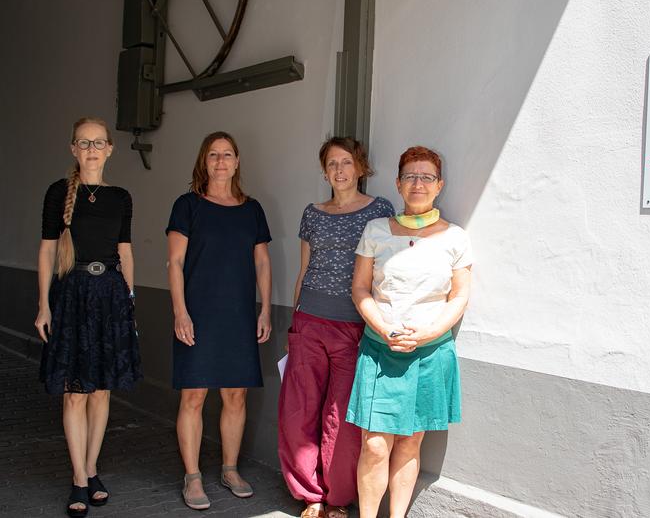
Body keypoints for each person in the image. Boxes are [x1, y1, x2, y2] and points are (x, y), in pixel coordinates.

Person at [347, 146, 473, 518]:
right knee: (373, 445)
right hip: (380, 350)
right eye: (410, 176)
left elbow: (460, 295)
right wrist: (384, 328)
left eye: (427, 177)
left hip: (429, 352)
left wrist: (427, 332)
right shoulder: (376, 230)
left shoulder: (455, 238)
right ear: (399, 184)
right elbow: (360, 289)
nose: (418, 183)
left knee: (409, 442)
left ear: (439, 185)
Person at [278, 137, 394, 518]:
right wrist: (294, 319)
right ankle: (310, 494)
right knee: (300, 409)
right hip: (309, 319)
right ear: (324, 170)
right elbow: (304, 269)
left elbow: (384, 272)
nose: (339, 170)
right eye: (332, 163)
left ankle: (338, 498)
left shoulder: (379, 213)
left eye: (347, 162)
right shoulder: (312, 213)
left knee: (342, 415)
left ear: (361, 168)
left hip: (354, 327)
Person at [34, 117, 142, 517]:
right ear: (73, 149)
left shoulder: (121, 197)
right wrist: (44, 305)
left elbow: (126, 252)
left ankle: (93, 467)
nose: (92, 149)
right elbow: (47, 251)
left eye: (99, 143)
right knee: (75, 392)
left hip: (111, 295)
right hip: (71, 294)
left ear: (110, 148)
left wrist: (129, 303)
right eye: (84, 142)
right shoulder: (57, 193)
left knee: (101, 390)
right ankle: (78, 477)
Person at [166, 131, 272, 510]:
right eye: (213, 154)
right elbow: (175, 262)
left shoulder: (252, 209)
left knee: (235, 394)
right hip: (197, 314)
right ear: (203, 160)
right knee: (193, 395)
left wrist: (264, 309)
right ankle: (192, 477)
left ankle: (229, 469)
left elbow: (261, 261)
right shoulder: (187, 206)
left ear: (237, 161)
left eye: (227, 154)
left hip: (239, 315)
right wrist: (180, 311)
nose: (221, 161)